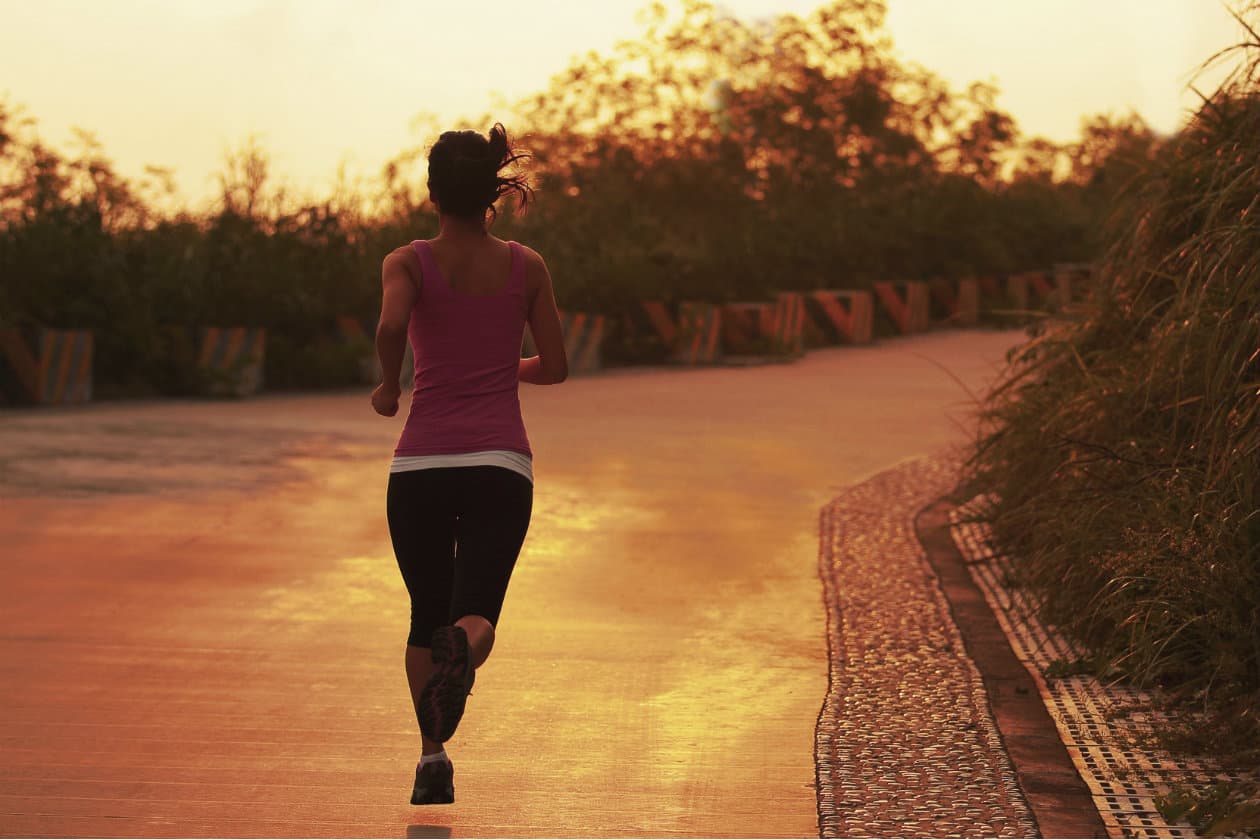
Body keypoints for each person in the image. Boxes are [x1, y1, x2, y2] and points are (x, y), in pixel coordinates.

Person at [370, 123, 568, 806]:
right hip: (499, 465)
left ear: (432, 192)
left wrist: (390, 385)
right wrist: (497, 366)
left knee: (425, 610)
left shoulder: (408, 261)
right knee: (474, 612)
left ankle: (432, 759)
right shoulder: (527, 266)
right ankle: (464, 643)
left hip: (419, 464)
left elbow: (393, 325)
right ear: (490, 193)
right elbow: (559, 367)